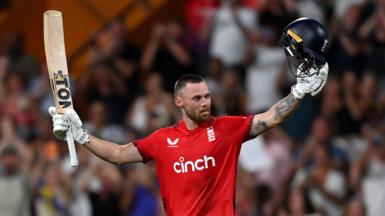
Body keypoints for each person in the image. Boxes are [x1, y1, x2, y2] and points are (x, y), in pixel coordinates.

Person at [48, 18, 329, 215]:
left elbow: (271, 117)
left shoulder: (226, 129)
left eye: (207, 96)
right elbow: (119, 154)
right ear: (179, 102)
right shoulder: (162, 139)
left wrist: (300, 92)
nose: (206, 102)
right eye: (198, 98)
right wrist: (81, 134)